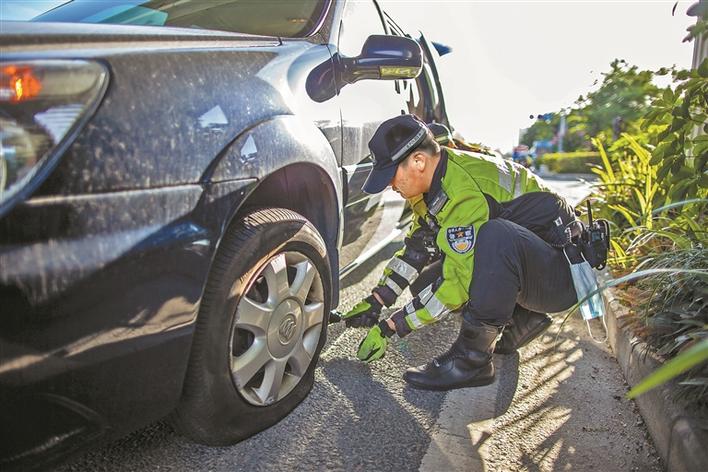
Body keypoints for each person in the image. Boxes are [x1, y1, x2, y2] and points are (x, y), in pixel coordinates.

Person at [341, 114, 579, 391]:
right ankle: (522, 318)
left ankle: (472, 361)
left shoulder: (462, 191)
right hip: (535, 265)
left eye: (392, 176)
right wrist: (377, 299)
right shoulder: (434, 183)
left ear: (418, 161)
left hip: (561, 277)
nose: (391, 186)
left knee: (494, 238)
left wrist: (392, 326)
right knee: (425, 283)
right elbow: (417, 247)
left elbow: (458, 282)